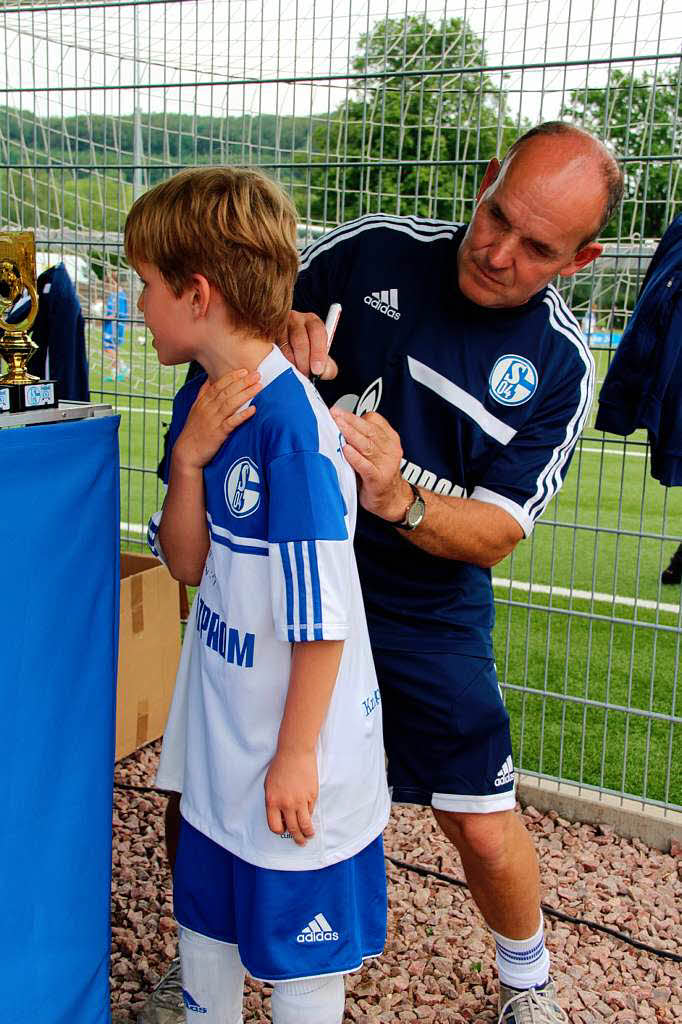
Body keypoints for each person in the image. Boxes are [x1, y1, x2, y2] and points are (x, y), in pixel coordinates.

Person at [284, 122, 624, 1024]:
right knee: (223, 769)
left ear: (581, 258)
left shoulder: (558, 366)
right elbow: (251, 329)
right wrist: (280, 330)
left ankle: (528, 981)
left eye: (538, 246)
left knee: (476, 813)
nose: (500, 252)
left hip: (426, 604)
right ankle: (196, 957)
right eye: (496, 216)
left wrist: (399, 498)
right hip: (295, 570)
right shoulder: (371, 251)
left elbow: (500, 532)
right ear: (483, 182)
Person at [124, 166, 390, 1024]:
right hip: (220, 741)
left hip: (291, 749)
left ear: (196, 293)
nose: (137, 306)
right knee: (206, 927)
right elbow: (191, 566)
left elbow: (322, 622)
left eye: (146, 286)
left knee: (296, 964)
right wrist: (192, 464)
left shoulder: (293, 429)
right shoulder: (201, 404)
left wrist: (297, 756)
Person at [102, 269, 129, 381]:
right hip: (110, 325)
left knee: (108, 348)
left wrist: (106, 317)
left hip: (114, 327)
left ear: (113, 282)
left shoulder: (120, 296)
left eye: (108, 284)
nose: (107, 287)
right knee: (114, 349)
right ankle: (115, 375)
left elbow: (119, 314)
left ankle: (124, 367)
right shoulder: (113, 294)